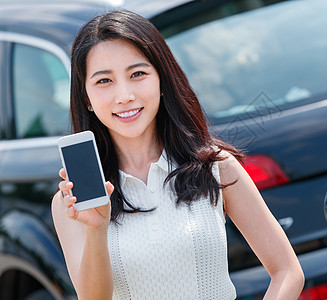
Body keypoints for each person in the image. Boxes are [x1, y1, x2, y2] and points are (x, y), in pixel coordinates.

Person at [52, 9, 304, 300]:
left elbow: (287, 270)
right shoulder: (72, 202)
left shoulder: (215, 166)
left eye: (137, 74)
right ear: (86, 98)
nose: (124, 95)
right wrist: (97, 229)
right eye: (104, 81)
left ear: (161, 81)